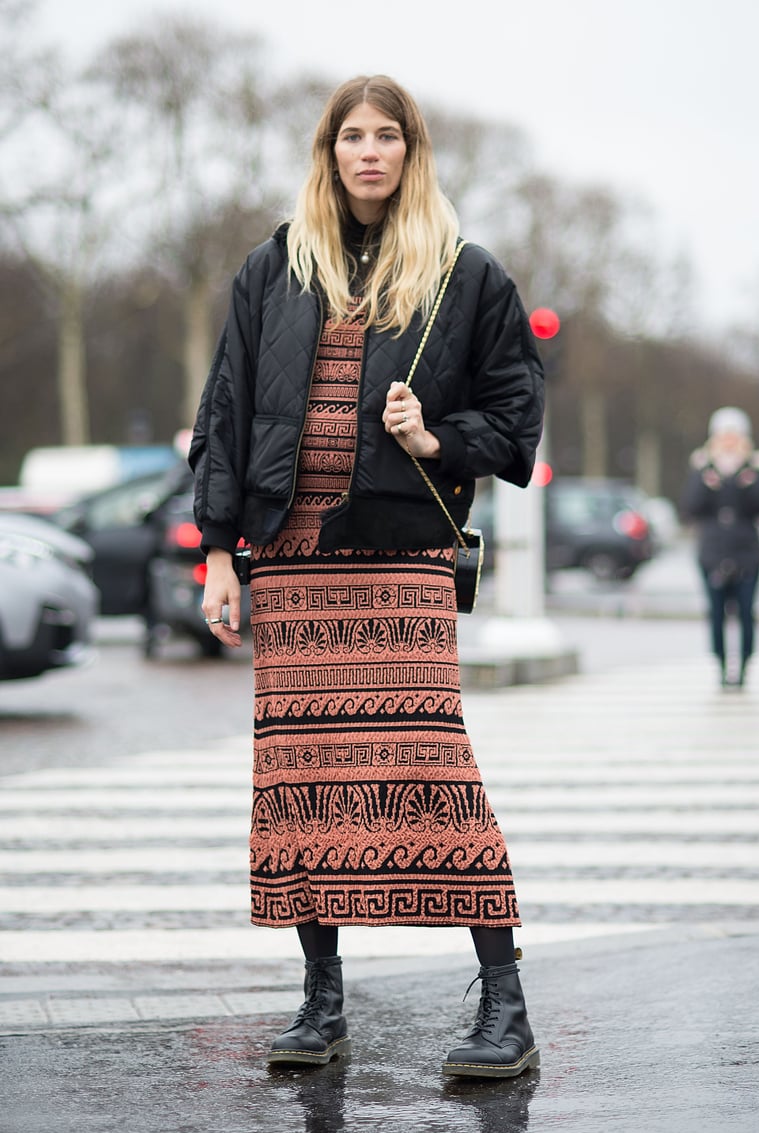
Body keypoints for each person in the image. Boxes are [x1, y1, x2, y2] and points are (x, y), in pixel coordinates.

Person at [189, 75, 545, 1078]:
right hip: (292, 558)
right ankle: (321, 1000)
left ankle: (506, 1008)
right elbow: (227, 412)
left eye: (388, 136)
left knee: (432, 772)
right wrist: (222, 550)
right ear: (329, 150)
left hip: (403, 556)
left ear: (412, 150)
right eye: (353, 136)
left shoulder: (465, 275)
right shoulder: (273, 269)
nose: (370, 152)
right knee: (302, 782)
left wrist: (437, 436)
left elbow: (517, 416)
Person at [682, 406, 759, 688]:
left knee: (747, 612)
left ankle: (745, 664)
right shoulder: (703, 469)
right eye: (725, 435)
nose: (729, 441)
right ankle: (721, 665)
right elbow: (690, 507)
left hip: (747, 554)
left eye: (734, 435)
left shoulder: (756, 469)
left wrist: (748, 483)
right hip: (713, 554)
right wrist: (707, 483)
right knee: (716, 613)